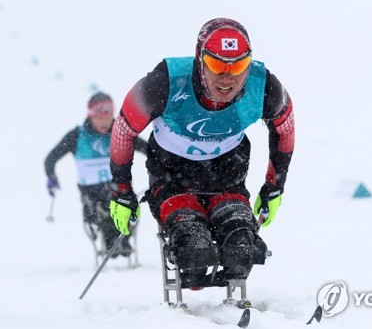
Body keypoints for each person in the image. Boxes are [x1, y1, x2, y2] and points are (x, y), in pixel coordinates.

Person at [109, 18, 294, 284]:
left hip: (226, 174)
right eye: (217, 65)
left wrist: (274, 187)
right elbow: (124, 131)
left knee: (242, 248)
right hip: (173, 175)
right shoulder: (164, 82)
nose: (227, 78)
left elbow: (284, 128)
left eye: (239, 66)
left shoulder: (264, 86)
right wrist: (121, 192)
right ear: (200, 59)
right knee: (193, 251)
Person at [44, 92, 148, 258]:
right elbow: (51, 159)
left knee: (119, 199)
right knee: (105, 206)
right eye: (99, 117)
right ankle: (114, 240)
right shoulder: (77, 136)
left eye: (107, 117)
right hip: (91, 195)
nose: (104, 122)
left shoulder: (120, 132)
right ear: (91, 116)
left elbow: (149, 150)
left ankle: (120, 240)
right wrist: (51, 176)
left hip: (119, 189)